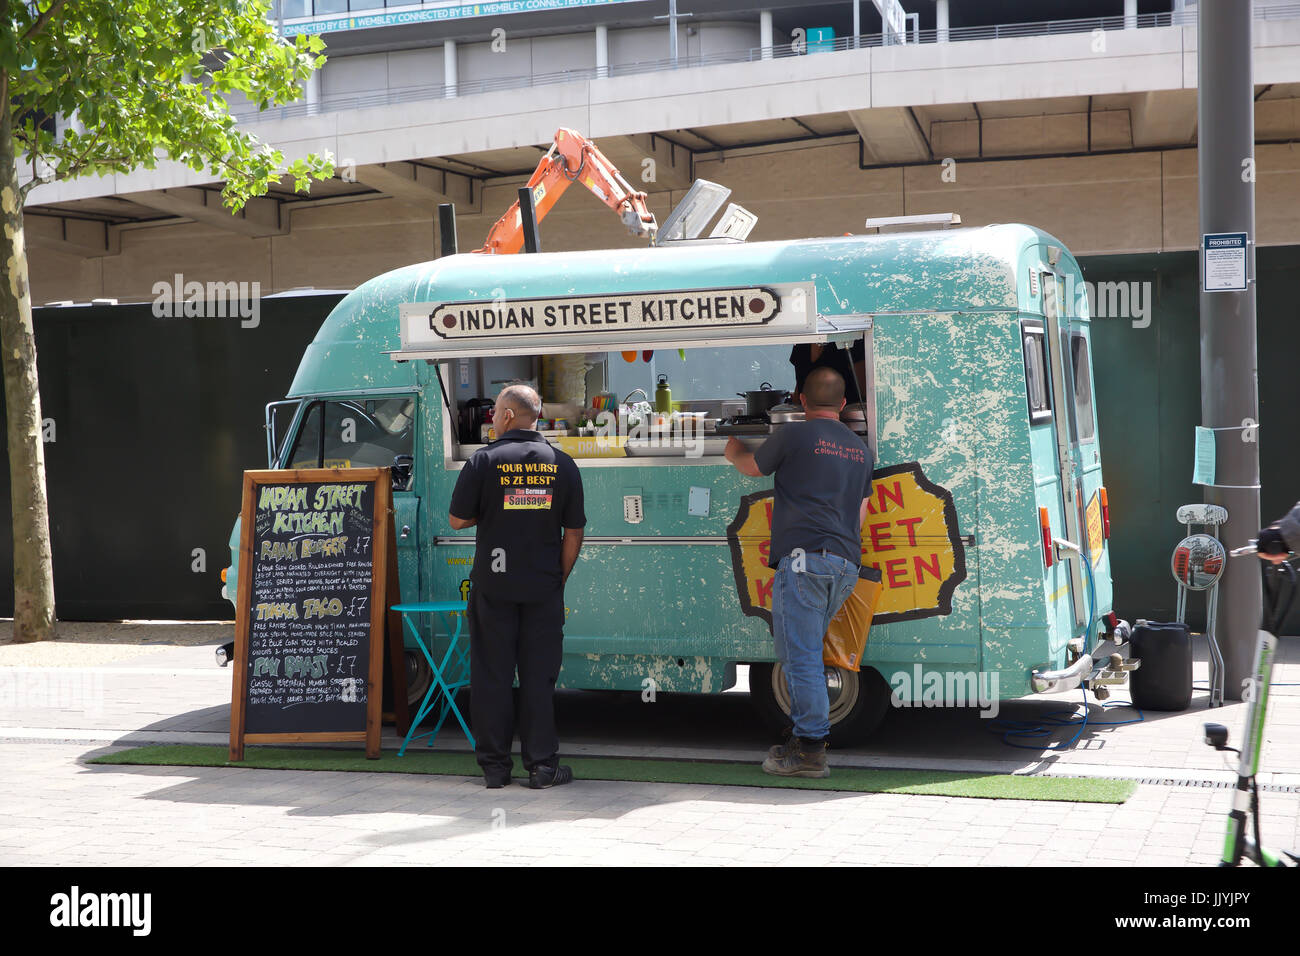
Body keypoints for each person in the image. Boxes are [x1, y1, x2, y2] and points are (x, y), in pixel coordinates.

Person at [724, 366, 873, 778]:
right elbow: (861, 513)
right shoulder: (861, 450)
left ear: (801, 401)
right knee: (808, 653)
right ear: (843, 405)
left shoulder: (792, 434)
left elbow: (754, 468)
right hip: (844, 566)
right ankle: (805, 736)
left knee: (801, 659)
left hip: (805, 562)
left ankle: (810, 751)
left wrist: (733, 449)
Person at [448, 383, 586, 789]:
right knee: (538, 678)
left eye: (494, 413)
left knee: (491, 676)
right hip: (542, 588)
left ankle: (494, 769)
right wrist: (558, 577)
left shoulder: (484, 461)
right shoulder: (563, 464)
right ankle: (543, 766)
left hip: (493, 587)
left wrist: (494, 509)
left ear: (508, 415)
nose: (491, 419)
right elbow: (574, 533)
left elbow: (457, 520)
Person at [789, 340, 867, 403]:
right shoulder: (802, 341)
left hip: (847, 416)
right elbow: (800, 384)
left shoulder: (850, 340)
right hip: (807, 415)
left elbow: (864, 391)